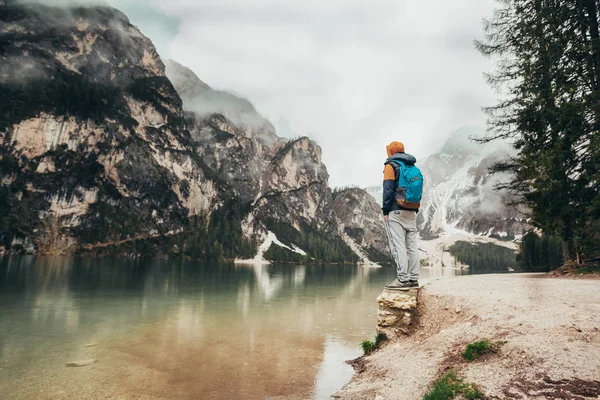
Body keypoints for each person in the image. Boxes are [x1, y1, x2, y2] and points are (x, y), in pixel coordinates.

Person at [382, 141, 420, 291]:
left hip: (395, 211)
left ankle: (402, 280)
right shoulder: (413, 167)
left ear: (391, 153)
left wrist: (386, 211)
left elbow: (388, 190)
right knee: (412, 247)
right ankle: (413, 279)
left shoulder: (390, 166)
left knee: (398, 246)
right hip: (411, 210)